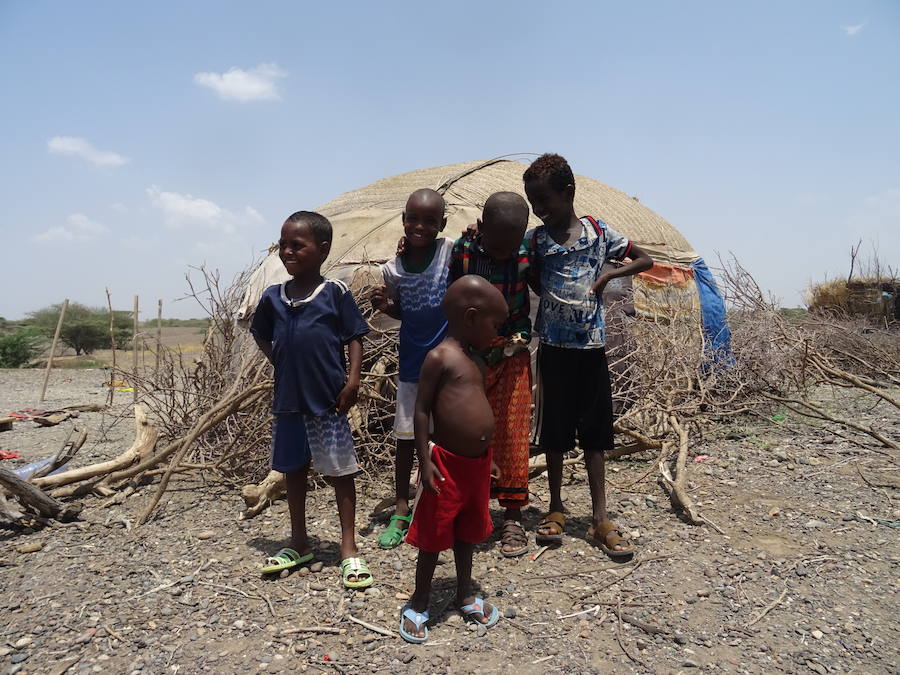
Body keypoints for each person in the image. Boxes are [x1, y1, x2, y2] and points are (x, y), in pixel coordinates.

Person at [522, 154, 654, 560]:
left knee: (596, 436)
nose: (539, 210)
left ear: (568, 193)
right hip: (553, 350)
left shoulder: (599, 233)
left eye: (544, 201)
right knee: (555, 435)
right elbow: (523, 272)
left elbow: (645, 259)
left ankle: (600, 518)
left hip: (591, 348)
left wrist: (610, 275)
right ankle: (556, 508)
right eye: (533, 203)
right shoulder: (536, 240)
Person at [251, 210, 374, 588]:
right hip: (289, 400)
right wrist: (280, 362)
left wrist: (352, 381)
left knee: (340, 472)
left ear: (322, 250)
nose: (287, 251)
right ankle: (299, 540)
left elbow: (354, 336)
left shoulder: (335, 293)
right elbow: (259, 333)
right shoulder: (273, 297)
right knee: (293, 471)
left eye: (297, 245)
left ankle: (349, 546)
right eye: (283, 245)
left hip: (328, 400)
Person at [399, 275, 509, 643]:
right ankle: (419, 601)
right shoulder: (439, 358)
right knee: (434, 535)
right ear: (472, 316)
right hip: (444, 464)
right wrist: (424, 460)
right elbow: (422, 412)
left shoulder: (477, 359)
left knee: (467, 533)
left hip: (475, 466)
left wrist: (488, 456)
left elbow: (475, 407)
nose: (496, 333)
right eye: (494, 325)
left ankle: (465, 593)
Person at [448, 191, 535, 557]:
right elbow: (450, 298)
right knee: (468, 433)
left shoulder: (527, 253)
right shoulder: (462, 251)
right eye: (497, 246)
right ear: (481, 228)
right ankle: (471, 509)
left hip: (513, 346)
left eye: (510, 247)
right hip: (470, 352)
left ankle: (513, 516)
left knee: (513, 433)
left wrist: (502, 348)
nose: (503, 255)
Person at [371, 188, 454, 549]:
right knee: (405, 439)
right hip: (411, 365)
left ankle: (444, 504)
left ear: (442, 223)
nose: (420, 226)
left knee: (448, 438)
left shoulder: (451, 252)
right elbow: (403, 311)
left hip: (450, 366)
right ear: (403, 219)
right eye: (413, 219)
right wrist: (386, 307)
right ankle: (402, 508)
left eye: (429, 220)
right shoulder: (393, 269)